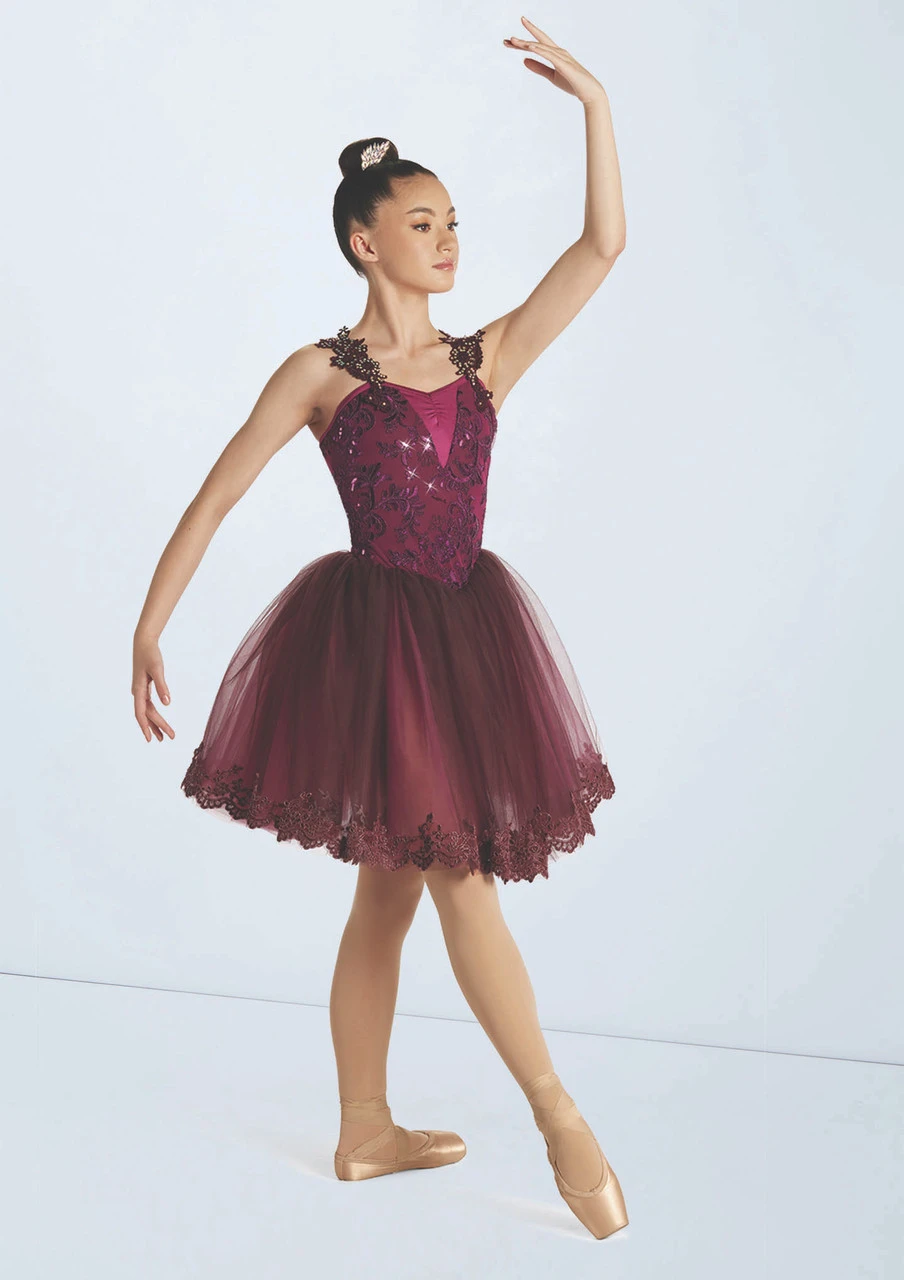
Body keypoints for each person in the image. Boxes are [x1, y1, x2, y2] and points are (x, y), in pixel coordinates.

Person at [132, 17, 628, 1241]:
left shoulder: (485, 357)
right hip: (373, 646)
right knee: (455, 869)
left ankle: (363, 1126)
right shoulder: (320, 372)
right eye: (422, 222)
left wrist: (595, 106)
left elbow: (600, 247)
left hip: (468, 635)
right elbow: (217, 494)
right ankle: (560, 1116)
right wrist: (150, 624)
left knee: (391, 888)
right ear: (366, 240)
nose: (448, 239)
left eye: (454, 220)